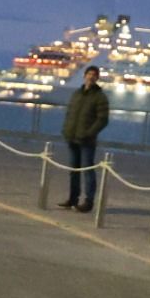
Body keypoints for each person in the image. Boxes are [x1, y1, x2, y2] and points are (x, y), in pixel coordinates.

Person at [58, 65, 109, 213]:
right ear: (84, 75)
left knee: (88, 170)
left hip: (87, 140)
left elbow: (103, 119)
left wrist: (89, 133)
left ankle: (88, 201)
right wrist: (66, 130)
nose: (91, 77)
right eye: (89, 74)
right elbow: (70, 113)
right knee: (73, 170)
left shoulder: (100, 97)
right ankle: (73, 199)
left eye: (94, 75)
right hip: (72, 137)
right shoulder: (77, 94)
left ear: (97, 78)